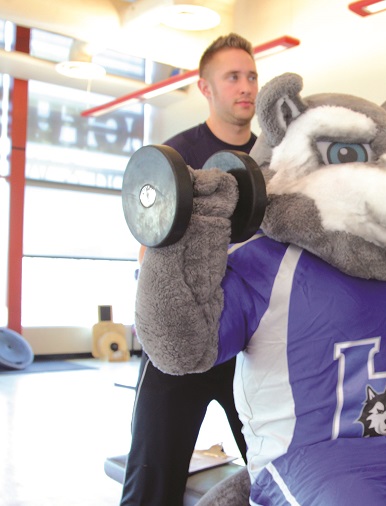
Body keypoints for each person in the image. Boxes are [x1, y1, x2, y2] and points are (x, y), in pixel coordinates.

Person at [120, 32, 258, 506]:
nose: (246, 87)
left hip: (253, 341)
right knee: (151, 472)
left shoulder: (273, 159)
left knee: (277, 466)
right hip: (184, 336)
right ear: (206, 88)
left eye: (252, 76)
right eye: (233, 77)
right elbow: (150, 249)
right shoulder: (176, 156)